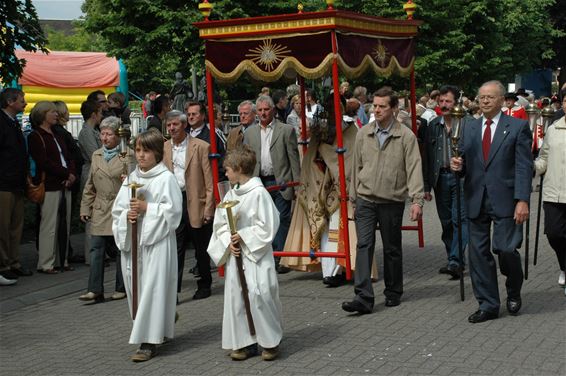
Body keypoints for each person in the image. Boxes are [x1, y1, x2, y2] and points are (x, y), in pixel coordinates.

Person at [450, 80, 532, 323]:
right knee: (478, 254)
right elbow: (464, 162)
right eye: (482, 97)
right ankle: (488, 304)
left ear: (500, 100)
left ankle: (514, 288)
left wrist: (523, 200)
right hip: (476, 198)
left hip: (506, 199)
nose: (485, 101)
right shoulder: (469, 128)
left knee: (506, 249)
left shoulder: (517, 127)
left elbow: (524, 167)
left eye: (490, 97)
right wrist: (458, 166)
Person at [342, 87, 423, 314]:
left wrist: (417, 200)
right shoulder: (363, 133)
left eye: (382, 106)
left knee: (391, 248)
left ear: (394, 109)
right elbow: (355, 168)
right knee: (364, 245)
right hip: (366, 199)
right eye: (374, 106)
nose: (376, 110)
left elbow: (415, 168)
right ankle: (363, 297)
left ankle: (393, 291)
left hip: (392, 199)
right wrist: (353, 198)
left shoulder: (406, 136)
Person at [207, 145, 283, 361]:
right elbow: (220, 225)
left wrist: (243, 235)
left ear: (239, 168)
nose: (225, 173)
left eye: (228, 169)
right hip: (236, 257)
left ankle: (270, 341)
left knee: (261, 295)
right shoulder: (231, 193)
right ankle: (245, 342)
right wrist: (227, 242)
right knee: (238, 298)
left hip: (256, 258)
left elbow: (268, 225)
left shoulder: (259, 193)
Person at [112, 129, 182, 362]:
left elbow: (173, 213)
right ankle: (156, 323)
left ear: (157, 153)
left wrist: (147, 209)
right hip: (134, 245)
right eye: (138, 150)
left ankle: (148, 343)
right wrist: (127, 217)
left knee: (152, 289)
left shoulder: (166, 179)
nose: (140, 156)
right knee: (137, 289)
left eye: (146, 151)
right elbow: (118, 210)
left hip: (157, 244)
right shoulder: (132, 179)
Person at [244, 95, 301, 273]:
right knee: (262, 220)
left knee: (281, 218)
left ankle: (280, 257)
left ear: (273, 110)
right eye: (260, 110)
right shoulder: (249, 133)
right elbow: (246, 159)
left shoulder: (286, 130)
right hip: (259, 182)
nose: (263, 113)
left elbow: (294, 159)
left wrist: (297, 185)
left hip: (281, 181)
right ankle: (266, 254)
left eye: (266, 110)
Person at [163, 110, 215, 300]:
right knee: (175, 247)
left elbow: (209, 180)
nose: (171, 128)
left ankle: (204, 284)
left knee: (201, 246)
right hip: (174, 201)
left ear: (184, 125)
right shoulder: (164, 148)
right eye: (169, 125)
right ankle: (173, 291)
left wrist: (209, 208)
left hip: (195, 201)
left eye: (175, 124)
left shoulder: (200, 146)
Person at [79, 116, 130, 303]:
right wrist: (85, 207)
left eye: (109, 134)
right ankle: (94, 290)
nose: (105, 138)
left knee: (120, 249)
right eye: (102, 133)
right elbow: (90, 184)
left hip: (119, 207)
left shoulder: (128, 154)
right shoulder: (96, 155)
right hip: (101, 208)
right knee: (96, 248)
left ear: (118, 135)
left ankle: (121, 287)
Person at [423, 85, 469, 279]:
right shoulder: (433, 125)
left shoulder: (468, 123)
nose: (444, 105)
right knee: (446, 222)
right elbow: (427, 157)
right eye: (441, 101)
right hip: (440, 178)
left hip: (462, 178)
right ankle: (455, 258)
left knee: (460, 219)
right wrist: (426, 186)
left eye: (447, 101)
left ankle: (455, 260)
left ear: (456, 102)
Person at [28, 101, 77, 274]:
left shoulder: (57, 134)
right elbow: (44, 162)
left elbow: (68, 156)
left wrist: (71, 174)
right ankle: (46, 262)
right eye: (52, 112)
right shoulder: (35, 136)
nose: (56, 115)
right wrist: (66, 173)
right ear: (42, 115)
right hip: (50, 185)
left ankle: (61, 260)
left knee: (65, 224)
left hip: (65, 183)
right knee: (49, 225)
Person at [534, 94, 566, 296]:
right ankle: (563, 265)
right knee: (554, 234)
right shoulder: (553, 129)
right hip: (553, 191)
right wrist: (530, 167)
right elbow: (543, 157)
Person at [0, 88, 32, 282]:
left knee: (15, 226)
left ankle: (14, 261)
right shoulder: (2, 123)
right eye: (22, 100)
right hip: (4, 183)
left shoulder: (12, 123)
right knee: (3, 227)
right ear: (10, 101)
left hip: (16, 182)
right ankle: (4, 265)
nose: (25, 103)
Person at [53, 101, 84, 263]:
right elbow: (70, 156)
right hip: (67, 179)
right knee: (63, 218)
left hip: (70, 177)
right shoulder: (59, 133)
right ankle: (64, 253)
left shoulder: (60, 132)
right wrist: (71, 174)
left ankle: (65, 251)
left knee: (64, 218)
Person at [78, 100, 103, 264]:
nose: (102, 116)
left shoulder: (93, 131)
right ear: (94, 114)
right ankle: (90, 254)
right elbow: (94, 153)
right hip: (91, 172)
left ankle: (98, 252)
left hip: (97, 171)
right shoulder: (86, 132)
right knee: (90, 212)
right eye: (100, 112)